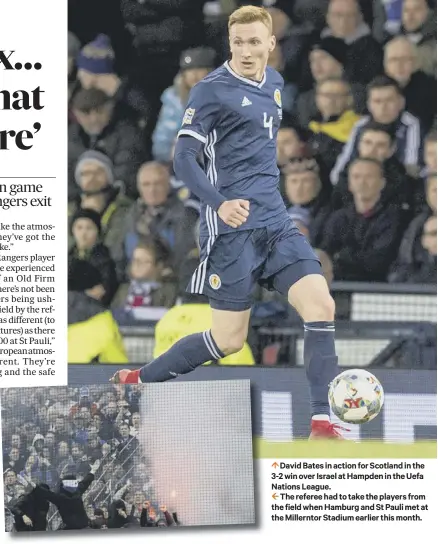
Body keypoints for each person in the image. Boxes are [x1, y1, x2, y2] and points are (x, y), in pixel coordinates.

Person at [112, 6, 344, 439]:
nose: (246, 50)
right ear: (230, 45)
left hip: (274, 221)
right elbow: (182, 157)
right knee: (228, 340)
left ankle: (322, 421)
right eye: (238, 42)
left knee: (321, 305)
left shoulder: (275, 85)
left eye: (255, 41)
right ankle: (140, 380)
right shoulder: (209, 91)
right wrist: (218, 203)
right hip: (231, 230)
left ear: (271, 44)